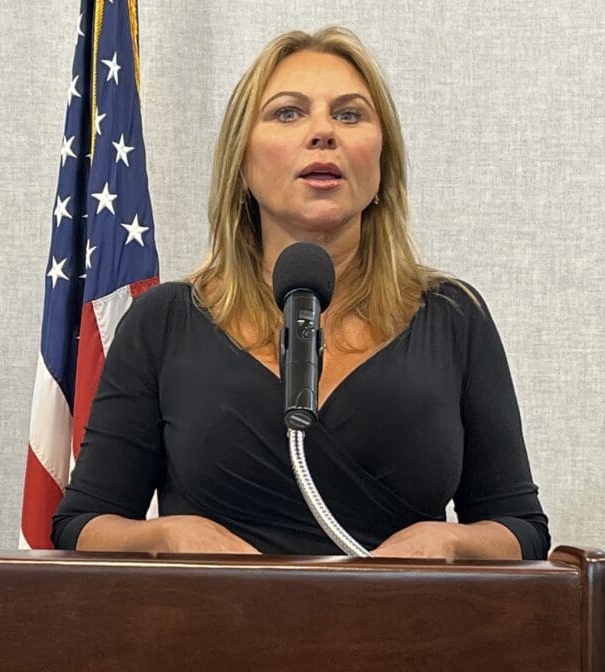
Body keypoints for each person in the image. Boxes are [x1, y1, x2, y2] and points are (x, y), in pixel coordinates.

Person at [50, 27, 550, 560]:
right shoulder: (165, 321)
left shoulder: (452, 316)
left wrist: (451, 540)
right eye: (288, 113)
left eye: (350, 114)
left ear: (382, 163)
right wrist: (166, 536)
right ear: (241, 162)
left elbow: (521, 528)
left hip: (404, 634)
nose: (323, 132)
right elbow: (80, 525)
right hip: (214, 633)